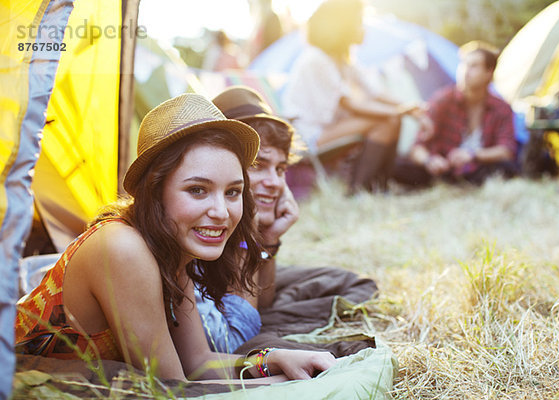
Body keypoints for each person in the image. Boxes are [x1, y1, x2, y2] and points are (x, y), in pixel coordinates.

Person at [14, 93, 335, 383]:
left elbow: (197, 362)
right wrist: (289, 384)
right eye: (198, 190)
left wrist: (273, 359)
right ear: (155, 192)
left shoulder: (170, 253)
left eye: (233, 192)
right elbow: (173, 389)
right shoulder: (124, 247)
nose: (222, 212)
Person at [197, 85, 378, 354]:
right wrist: (247, 240)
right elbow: (233, 340)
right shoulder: (201, 225)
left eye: (280, 169)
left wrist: (269, 240)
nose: (274, 183)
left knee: (351, 282)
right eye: (259, 165)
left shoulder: (249, 231)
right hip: (225, 336)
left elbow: (265, 300)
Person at [281, 0, 423, 193]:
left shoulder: (342, 60)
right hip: (309, 135)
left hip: (328, 129)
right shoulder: (316, 59)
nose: (363, 28)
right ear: (342, 27)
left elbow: (376, 92)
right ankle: (359, 190)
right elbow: (352, 105)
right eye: (358, 22)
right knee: (390, 120)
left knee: (391, 120)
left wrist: (412, 107)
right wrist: (401, 111)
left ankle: (379, 185)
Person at [394, 40, 518, 187]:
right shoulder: (443, 100)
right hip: (443, 168)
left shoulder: (501, 108)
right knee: (398, 166)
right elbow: (417, 148)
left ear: (489, 73)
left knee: (508, 169)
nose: (466, 71)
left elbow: (507, 150)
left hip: (478, 169)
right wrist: (430, 161)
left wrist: (472, 155)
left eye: (474, 66)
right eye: (464, 64)